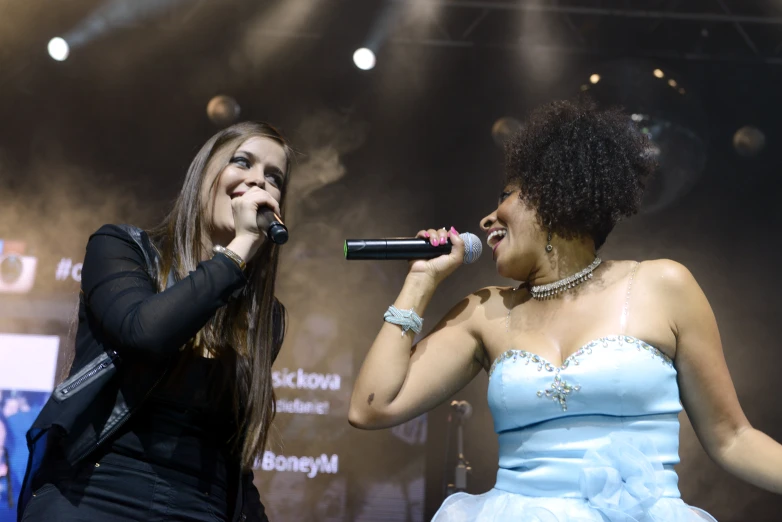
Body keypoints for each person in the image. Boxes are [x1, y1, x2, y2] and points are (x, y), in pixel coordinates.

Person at [348, 98, 782, 521]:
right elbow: (372, 407)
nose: (486, 219)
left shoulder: (661, 285)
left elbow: (733, 438)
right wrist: (420, 280)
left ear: (553, 192)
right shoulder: (483, 311)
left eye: (505, 196)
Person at [18, 121, 293, 522]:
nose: (258, 183)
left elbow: (231, 450)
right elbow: (145, 332)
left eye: (274, 178)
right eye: (242, 163)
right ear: (204, 175)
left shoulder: (264, 315)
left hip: (201, 507)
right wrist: (239, 250)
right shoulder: (123, 249)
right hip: (96, 493)